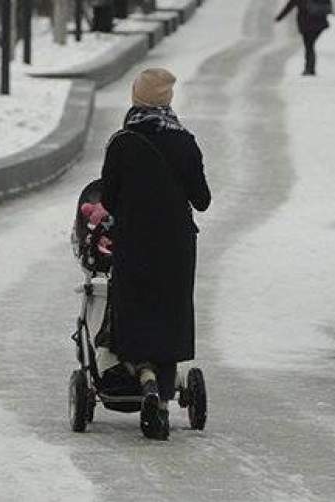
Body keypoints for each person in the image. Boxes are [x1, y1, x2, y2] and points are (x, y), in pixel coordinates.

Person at [100, 68, 211, 441]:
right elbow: (203, 199)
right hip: (176, 247)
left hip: (133, 244)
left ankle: (143, 376)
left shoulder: (122, 142)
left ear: (136, 97)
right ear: (167, 99)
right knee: (169, 316)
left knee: (135, 313)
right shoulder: (184, 142)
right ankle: (162, 399)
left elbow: (108, 199)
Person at [276, 0, 331, 76]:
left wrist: (278, 18)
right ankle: (310, 68)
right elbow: (328, 6)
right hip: (319, 23)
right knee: (310, 46)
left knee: (309, 46)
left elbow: (289, 6)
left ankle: (309, 69)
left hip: (306, 24)